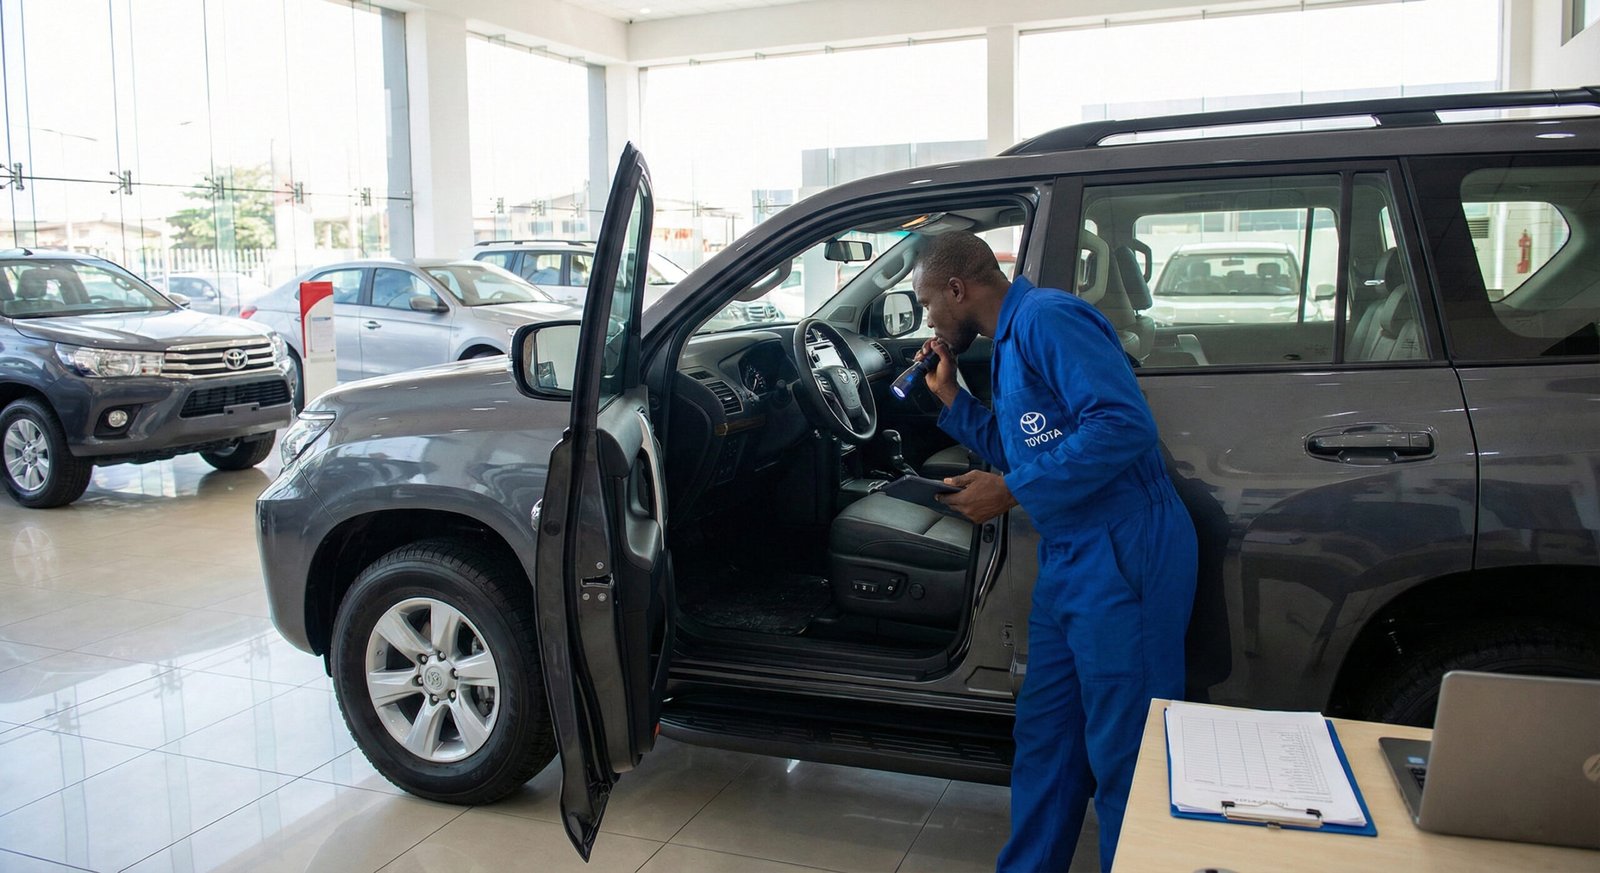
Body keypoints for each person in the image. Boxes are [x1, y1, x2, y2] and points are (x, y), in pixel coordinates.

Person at [911, 230, 1197, 873]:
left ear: (957, 289)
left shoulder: (1047, 319)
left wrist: (1012, 490)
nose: (928, 318)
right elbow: (1029, 446)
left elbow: (1123, 424)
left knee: (1128, 755)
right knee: (1048, 742)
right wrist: (953, 400)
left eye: (928, 303)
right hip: (1070, 555)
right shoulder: (1007, 345)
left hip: (1126, 550)